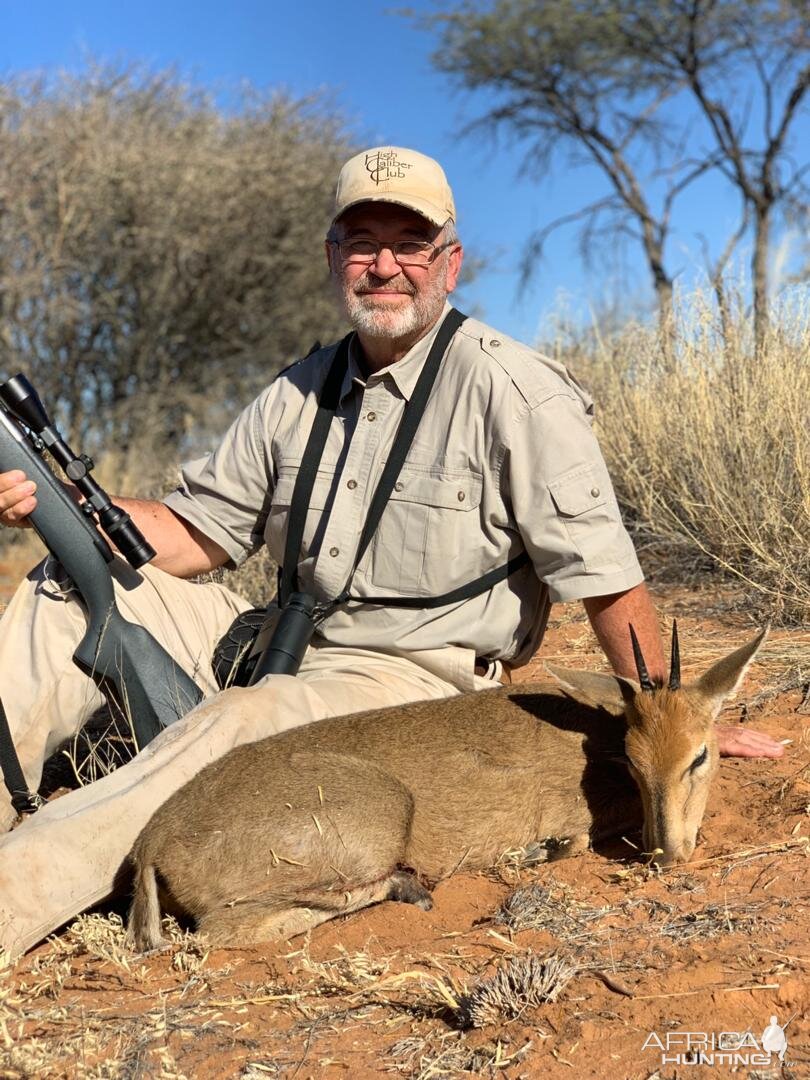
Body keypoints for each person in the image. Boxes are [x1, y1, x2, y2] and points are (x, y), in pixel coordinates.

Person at [0, 146, 782, 960]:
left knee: (247, 719)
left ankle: (16, 896)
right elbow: (196, 534)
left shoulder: (515, 391)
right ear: (334, 258)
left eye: (409, 243)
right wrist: (57, 509)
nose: (385, 266)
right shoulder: (297, 389)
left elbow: (605, 579)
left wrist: (669, 721)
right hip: (280, 637)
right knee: (64, 587)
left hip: (408, 674)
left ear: (450, 261)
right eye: (361, 241)